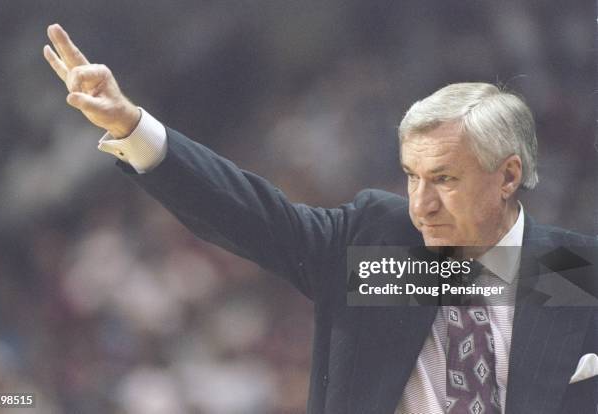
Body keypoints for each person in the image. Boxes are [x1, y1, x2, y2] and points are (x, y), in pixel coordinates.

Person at [43, 24, 597, 413]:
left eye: (445, 180)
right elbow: (252, 214)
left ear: (507, 177)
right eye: (412, 176)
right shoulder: (377, 245)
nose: (421, 203)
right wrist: (132, 128)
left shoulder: (572, 271)